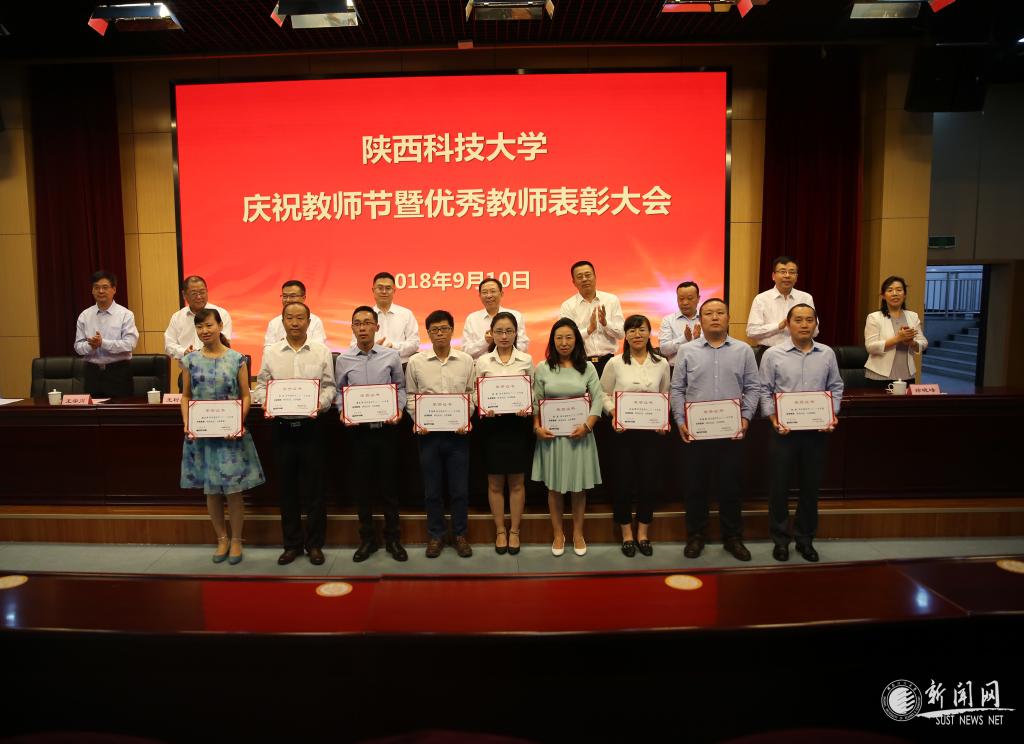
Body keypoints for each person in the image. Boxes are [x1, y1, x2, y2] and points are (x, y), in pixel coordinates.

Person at [670, 298, 760, 562]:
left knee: (730, 487)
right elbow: (677, 388)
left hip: (732, 432)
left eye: (720, 312)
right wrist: (680, 420)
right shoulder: (687, 351)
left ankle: (733, 537)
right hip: (696, 432)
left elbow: (753, 387)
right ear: (701, 319)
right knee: (695, 487)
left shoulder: (744, 350)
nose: (715, 317)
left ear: (728, 317)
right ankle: (696, 536)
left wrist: (746, 417)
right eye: (709, 313)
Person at [252, 302, 336, 566]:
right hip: (282, 429)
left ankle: (315, 545)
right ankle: (291, 545)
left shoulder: (322, 351)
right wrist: (267, 401)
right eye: (290, 318)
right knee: (286, 490)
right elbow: (261, 386)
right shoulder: (271, 352)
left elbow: (330, 387)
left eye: (300, 318)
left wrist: (318, 404)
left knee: (315, 491)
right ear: (283, 322)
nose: (295, 322)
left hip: (312, 428)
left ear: (309, 322)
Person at [180, 308, 265, 565]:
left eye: (209, 325)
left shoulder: (237, 359)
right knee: (212, 491)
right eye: (200, 327)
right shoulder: (190, 361)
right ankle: (221, 538)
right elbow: (186, 396)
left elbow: (246, 395)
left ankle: (237, 539)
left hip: (231, 435)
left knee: (233, 490)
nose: (204, 331)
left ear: (219, 326)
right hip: (202, 436)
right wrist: (187, 422)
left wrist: (237, 421)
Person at [760, 304, 844, 563]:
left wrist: (831, 414)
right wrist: (773, 418)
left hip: (816, 432)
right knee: (779, 487)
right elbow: (764, 390)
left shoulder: (827, 353)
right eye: (798, 320)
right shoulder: (773, 354)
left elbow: (836, 386)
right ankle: (780, 540)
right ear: (788, 324)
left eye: (809, 320)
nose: (804, 324)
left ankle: (805, 539)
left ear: (816, 324)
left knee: (810, 488)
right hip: (783, 432)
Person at [335, 306, 408, 562]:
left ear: (377, 327)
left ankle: (393, 539)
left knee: (389, 488)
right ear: (352, 328)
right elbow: (340, 392)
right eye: (358, 323)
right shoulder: (343, 360)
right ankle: (367, 540)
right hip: (358, 434)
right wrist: (343, 411)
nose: (363, 327)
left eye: (368, 323)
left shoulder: (391, 356)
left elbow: (400, 387)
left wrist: (398, 409)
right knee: (362, 489)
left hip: (386, 431)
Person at [406, 310, 476, 558]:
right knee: (432, 491)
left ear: (452, 330)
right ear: (428, 333)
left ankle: (460, 534)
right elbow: (411, 397)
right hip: (428, 436)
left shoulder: (466, 361)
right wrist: (419, 419)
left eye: (444, 328)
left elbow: (472, 394)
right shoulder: (416, 362)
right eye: (434, 330)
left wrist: (465, 417)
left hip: (458, 435)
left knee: (459, 490)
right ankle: (436, 535)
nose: (440, 333)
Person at [600, 315, 672, 557]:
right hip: (623, 434)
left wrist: (663, 419)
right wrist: (613, 412)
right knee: (622, 483)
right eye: (631, 330)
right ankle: (626, 534)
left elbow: (666, 394)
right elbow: (603, 393)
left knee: (648, 483)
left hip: (651, 435)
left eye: (641, 329)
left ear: (649, 333)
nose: (637, 334)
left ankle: (643, 532)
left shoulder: (662, 363)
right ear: (626, 335)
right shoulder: (615, 363)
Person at [532, 317, 604, 557]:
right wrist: (536, 428)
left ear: (577, 340)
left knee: (578, 488)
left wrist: (588, 426)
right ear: (552, 340)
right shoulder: (543, 367)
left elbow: (598, 399)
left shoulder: (588, 367)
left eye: (569, 337)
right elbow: (536, 402)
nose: (564, 342)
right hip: (552, 438)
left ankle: (578, 533)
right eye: (559, 338)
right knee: (554, 489)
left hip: (580, 436)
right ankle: (558, 533)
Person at [475, 311, 534, 555]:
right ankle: (500, 530)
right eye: (499, 331)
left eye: (509, 331)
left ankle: (515, 531)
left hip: (518, 426)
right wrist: (483, 406)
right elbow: (476, 393)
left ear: (516, 333)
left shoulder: (526, 360)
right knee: (495, 481)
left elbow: (533, 391)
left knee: (518, 481)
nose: (504, 336)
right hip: (493, 427)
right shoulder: (483, 362)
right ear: (491, 334)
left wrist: (527, 405)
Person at [73, 270, 138, 398]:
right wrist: (91, 345)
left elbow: (130, 344)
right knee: (93, 410)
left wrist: (102, 343)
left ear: (114, 289)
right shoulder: (84, 315)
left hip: (118, 373)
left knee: (120, 410)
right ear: (92, 290)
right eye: (96, 287)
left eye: (105, 287)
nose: (101, 291)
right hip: (92, 373)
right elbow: (78, 347)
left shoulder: (125, 314)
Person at [558, 260, 624, 377]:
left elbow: (621, 334)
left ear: (595, 276)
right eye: (580, 277)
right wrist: (589, 330)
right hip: (581, 363)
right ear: (574, 282)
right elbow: (566, 338)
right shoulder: (567, 306)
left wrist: (605, 324)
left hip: (609, 362)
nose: (584, 279)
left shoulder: (611, 300)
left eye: (588, 275)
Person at [864, 275, 928, 389]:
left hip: (907, 375)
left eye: (899, 290)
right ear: (883, 296)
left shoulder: (913, 316)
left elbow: (923, 343)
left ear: (904, 295)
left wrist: (912, 343)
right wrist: (897, 339)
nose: (895, 293)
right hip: (879, 376)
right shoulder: (874, 317)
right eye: (890, 290)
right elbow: (870, 347)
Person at [349, 272, 420, 366]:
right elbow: (353, 346)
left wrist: (393, 347)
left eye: (388, 288)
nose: (384, 291)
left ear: (394, 290)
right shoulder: (364, 316)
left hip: (401, 365)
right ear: (373, 290)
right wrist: (372, 348)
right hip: (371, 365)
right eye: (380, 288)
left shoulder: (406, 314)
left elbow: (414, 343)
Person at [746, 256, 816, 351]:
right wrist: (778, 326)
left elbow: (815, 331)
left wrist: (800, 326)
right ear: (773, 276)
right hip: (768, 350)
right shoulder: (761, 299)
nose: (787, 276)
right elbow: (751, 332)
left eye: (792, 272)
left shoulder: (806, 298)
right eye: (782, 272)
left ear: (796, 277)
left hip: (799, 351)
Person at [165, 275, 233, 364]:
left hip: (217, 366)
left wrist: (202, 355)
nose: (199, 297)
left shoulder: (221, 313)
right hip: (188, 368)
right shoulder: (177, 317)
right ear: (184, 295)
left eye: (202, 292)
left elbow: (225, 342)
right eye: (194, 293)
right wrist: (184, 352)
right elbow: (169, 345)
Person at [460, 277, 529, 359]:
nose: (489, 295)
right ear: (479, 296)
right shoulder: (472, 319)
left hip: (510, 364)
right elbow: (465, 352)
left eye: (493, 291)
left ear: (501, 294)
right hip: (480, 365)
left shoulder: (516, 316)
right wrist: (485, 342)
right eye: (484, 292)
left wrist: (505, 346)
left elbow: (523, 346)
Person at [263, 280, 328, 348]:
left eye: (292, 296)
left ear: (303, 298)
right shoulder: (274, 323)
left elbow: (319, 348)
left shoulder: (315, 321)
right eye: (285, 296)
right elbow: (268, 350)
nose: (288, 300)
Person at [658, 281, 701, 364]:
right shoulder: (668, 320)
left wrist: (698, 339)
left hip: (703, 368)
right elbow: (663, 349)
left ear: (698, 299)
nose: (685, 303)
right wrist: (684, 339)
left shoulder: (706, 319)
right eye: (681, 299)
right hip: (675, 369)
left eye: (690, 298)